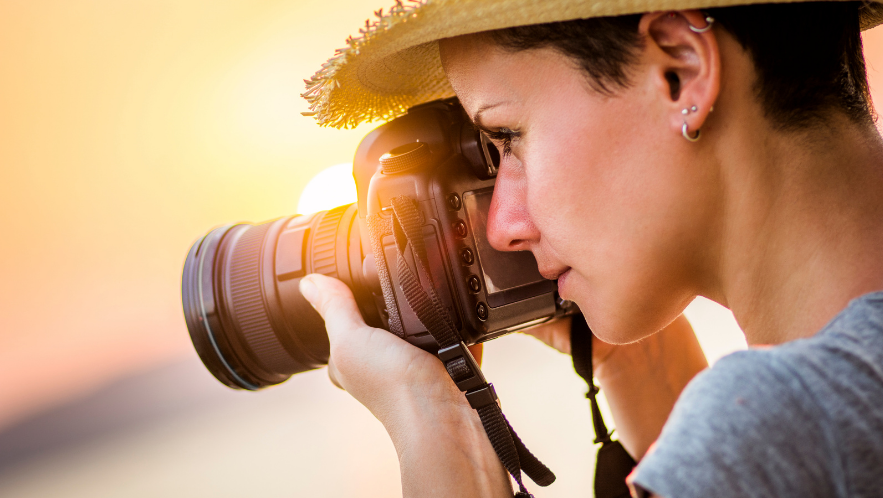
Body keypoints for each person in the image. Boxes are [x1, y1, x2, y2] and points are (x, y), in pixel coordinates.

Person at [297, 0, 883, 496]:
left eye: (507, 139)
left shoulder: (782, 418)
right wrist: (641, 362)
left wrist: (438, 428)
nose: (502, 227)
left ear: (681, 71)